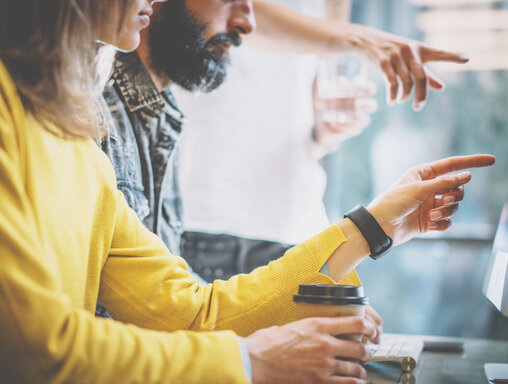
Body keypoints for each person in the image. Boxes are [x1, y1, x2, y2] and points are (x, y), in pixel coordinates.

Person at [0, 0, 495, 382]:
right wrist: (248, 363)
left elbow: (195, 313)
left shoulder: (79, 140)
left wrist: (373, 226)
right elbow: (31, 352)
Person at [101, 0, 470, 285]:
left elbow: (311, 95)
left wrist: (324, 130)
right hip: (206, 211)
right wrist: (363, 40)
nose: (245, 21)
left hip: (293, 217)